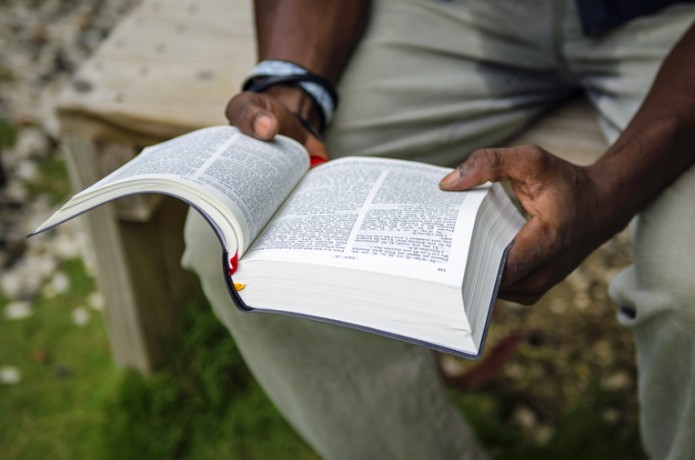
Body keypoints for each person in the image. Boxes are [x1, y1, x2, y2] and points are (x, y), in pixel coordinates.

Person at [182, 0, 695, 458]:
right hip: (457, 14)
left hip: (670, 25)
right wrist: (295, 92)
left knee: (687, 282)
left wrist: (608, 193)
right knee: (237, 240)